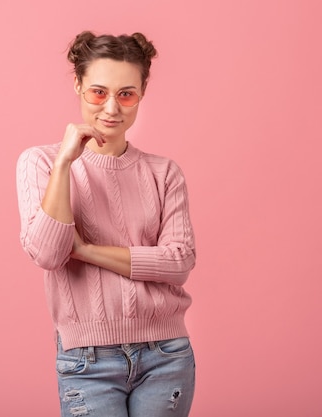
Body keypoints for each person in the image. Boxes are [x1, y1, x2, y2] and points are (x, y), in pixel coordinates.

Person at [16, 30, 197, 417]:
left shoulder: (164, 173)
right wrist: (66, 162)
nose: (112, 108)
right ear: (79, 86)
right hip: (87, 361)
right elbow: (48, 254)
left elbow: (179, 263)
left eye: (126, 94)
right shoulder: (42, 163)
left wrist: (84, 251)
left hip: (166, 354)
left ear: (141, 94)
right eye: (99, 92)